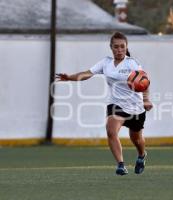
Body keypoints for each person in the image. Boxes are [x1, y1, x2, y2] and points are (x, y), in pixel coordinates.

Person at [56, 32, 153, 176]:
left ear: (126, 47)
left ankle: (141, 155)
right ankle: (121, 165)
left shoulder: (132, 63)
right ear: (111, 48)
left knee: (137, 139)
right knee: (111, 130)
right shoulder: (105, 63)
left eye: (122, 47)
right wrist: (70, 77)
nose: (119, 50)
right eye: (116, 47)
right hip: (116, 104)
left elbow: (144, 82)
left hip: (136, 107)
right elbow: (87, 74)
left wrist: (145, 100)